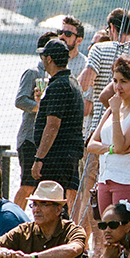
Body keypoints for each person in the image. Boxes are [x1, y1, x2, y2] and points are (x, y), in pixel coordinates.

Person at [78, 9, 130, 258]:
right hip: (125, 137)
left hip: (102, 129)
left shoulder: (98, 49)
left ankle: (96, 252)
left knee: (92, 200)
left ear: (110, 27)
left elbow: (84, 82)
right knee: (121, 212)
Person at [88, 57, 130, 216]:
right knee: (107, 232)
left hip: (129, 180)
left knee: (124, 232)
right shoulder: (110, 110)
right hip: (105, 179)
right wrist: (111, 150)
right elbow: (91, 145)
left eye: (123, 81)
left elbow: (121, 144)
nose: (118, 87)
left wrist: (116, 112)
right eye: (115, 81)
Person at [31, 39, 85, 205]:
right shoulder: (73, 82)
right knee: (58, 204)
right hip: (68, 156)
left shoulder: (58, 86)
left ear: (49, 59)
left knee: (49, 204)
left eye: (43, 57)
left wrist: (39, 158)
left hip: (55, 157)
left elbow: (53, 125)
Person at [13, 31, 56, 210]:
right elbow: (20, 100)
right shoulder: (33, 72)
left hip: (46, 140)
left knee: (45, 187)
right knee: (28, 185)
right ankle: (11, 221)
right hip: (29, 138)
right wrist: (41, 107)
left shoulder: (57, 76)